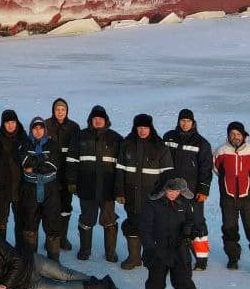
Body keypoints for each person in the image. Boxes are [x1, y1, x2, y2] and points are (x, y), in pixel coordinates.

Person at [0, 229, 118, 289]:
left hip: (32, 263)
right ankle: (103, 286)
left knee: (65, 274)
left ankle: (102, 284)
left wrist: (4, 285)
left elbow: (17, 262)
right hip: (27, 283)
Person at [138, 177, 202, 289]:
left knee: (186, 287)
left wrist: (191, 230)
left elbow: (191, 221)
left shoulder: (184, 203)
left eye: (177, 191)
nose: (174, 194)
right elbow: (144, 229)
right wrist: (150, 250)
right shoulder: (152, 204)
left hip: (180, 251)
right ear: (164, 189)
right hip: (158, 251)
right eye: (171, 190)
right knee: (156, 283)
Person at [116, 114, 174, 270]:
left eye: (145, 127)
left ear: (150, 128)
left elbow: (167, 174)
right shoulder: (127, 145)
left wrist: (164, 195)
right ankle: (134, 258)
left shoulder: (160, 147)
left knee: (153, 228)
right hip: (131, 195)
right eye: (139, 127)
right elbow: (120, 171)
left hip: (153, 198)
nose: (142, 131)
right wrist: (120, 192)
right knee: (132, 225)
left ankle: (155, 258)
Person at [214, 121, 250, 276]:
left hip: (248, 198)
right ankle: (233, 258)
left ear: (244, 135)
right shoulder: (221, 151)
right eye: (232, 134)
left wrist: (249, 183)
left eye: (238, 134)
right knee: (229, 229)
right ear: (228, 136)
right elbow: (217, 168)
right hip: (228, 198)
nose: (235, 137)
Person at [162, 108, 214, 270]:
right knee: (171, 223)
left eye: (188, 121)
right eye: (182, 121)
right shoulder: (168, 137)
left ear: (193, 122)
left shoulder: (201, 143)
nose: (185, 124)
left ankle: (201, 259)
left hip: (191, 191)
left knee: (197, 223)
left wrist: (203, 190)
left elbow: (206, 168)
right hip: (171, 190)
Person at [72, 105, 122, 263]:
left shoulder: (116, 138)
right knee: (87, 219)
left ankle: (110, 252)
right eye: (95, 118)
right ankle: (85, 250)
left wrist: (120, 187)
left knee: (109, 220)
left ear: (106, 120)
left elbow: (122, 166)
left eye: (101, 118)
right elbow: (72, 161)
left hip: (108, 188)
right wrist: (72, 182)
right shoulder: (80, 136)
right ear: (90, 120)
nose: (98, 121)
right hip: (87, 187)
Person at [18, 117, 63, 260]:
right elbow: (24, 163)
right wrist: (44, 159)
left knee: (52, 224)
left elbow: (54, 165)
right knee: (30, 224)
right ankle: (32, 261)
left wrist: (35, 164)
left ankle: (54, 261)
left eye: (40, 128)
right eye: (35, 128)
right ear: (31, 130)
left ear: (44, 129)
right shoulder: (25, 144)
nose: (38, 131)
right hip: (30, 189)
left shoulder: (53, 145)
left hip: (50, 189)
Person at [45, 97, 81, 250]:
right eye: (57, 109)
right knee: (51, 208)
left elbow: (78, 151)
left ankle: (63, 238)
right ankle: (51, 239)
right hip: (50, 174)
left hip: (67, 174)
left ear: (67, 111)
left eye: (63, 110)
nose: (60, 112)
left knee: (66, 208)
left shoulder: (74, 127)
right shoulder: (45, 125)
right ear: (53, 111)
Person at [0, 109, 29, 244]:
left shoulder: (24, 138)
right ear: (3, 124)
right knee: (1, 221)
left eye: (13, 122)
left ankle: (20, 250)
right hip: (3, 188)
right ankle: (1, 250)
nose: (10, 125)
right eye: (7, 122)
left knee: (21, 220)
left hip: (20, 187)